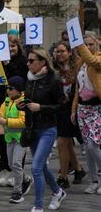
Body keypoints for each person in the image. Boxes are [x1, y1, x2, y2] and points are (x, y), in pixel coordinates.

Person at [17, 48, 66, 212]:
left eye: (31, 61)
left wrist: (41, 107)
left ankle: (38, 206)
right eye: (28, 60)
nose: (28, 63)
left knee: (36, 167)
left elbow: (62, 105)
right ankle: (57, 192)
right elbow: (30, 99)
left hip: (48, 129)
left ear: (42, 61)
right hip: (32, 129)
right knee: (42, 167)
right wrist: (22, 105)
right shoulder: (30, 78)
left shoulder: (54, 79)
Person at [0, 76, 32, 204]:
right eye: (7, 88)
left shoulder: (23, 102)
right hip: (10, 137)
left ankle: (17, 192)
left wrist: (6, 121)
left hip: (21, 138)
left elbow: (23, 121)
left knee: (16, 163)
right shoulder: (7, 101)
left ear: (19, 90)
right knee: (10, 164)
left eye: (11, 88)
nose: (8, 90)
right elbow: (1, 116)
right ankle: (26, 179)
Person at [53, 41, 86, 189]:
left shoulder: (77, 66)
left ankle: (63, 176)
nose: (59, 54)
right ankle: (78, 169)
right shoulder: (54, 68)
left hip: (72, 108)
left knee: (62, 142)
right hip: (59, 108)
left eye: (62, 51)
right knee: (66, 142)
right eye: (57, 51)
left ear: (70, 52)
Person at [71, 34, 101, 195]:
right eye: (86, 44)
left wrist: (80, 45)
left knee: (93, 145)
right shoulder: (81, 64)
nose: (88, 47)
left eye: (91, 44)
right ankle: (94, 180)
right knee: (88, 149)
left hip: (97, 108)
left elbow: (93, 61)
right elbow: (78, 89)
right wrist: (74, 109)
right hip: (83, 108)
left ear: (97, 45)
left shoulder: (98, 60)